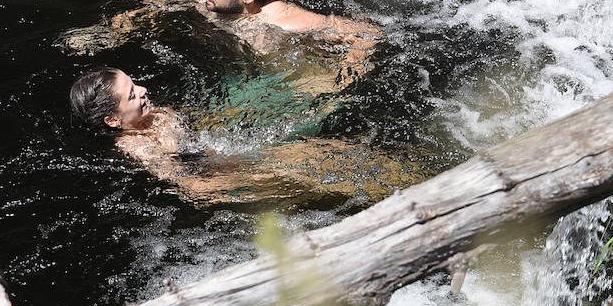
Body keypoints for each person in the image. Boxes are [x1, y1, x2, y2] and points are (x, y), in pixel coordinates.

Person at [69, 67, 418, 206]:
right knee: (312, 163)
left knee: (319, 148)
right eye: (133, 94)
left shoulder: (150, 119)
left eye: (136, 84)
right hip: (219, 175)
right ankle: (402, 194)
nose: (144, 90)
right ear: (113, 121)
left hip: (214, 156)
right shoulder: (137, 148)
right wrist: (260, 178)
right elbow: (191, 188)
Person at [62, 0, 377, 86]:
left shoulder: (282, 19)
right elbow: (154, 5)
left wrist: (341, 80)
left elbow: (367, 32)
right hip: (249, 75)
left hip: (303, 85)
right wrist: (109, 33)